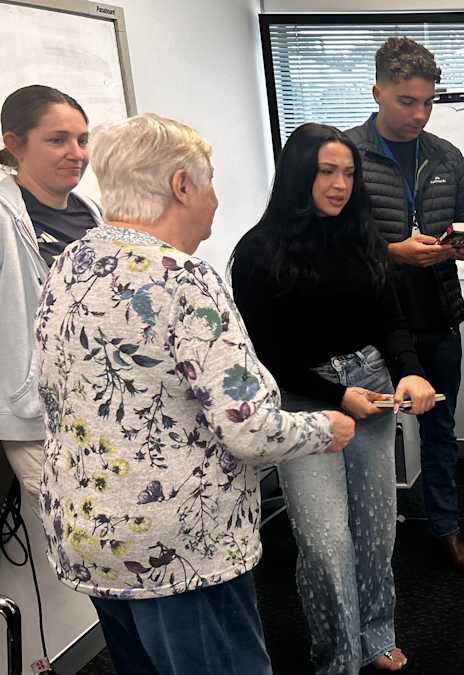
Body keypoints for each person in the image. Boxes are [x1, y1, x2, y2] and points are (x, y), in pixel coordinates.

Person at [34, 113, 355, 674]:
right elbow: (250, 429)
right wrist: (326, 427)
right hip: (179, 546)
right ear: (182, 185)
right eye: (209, 182)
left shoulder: (69, 264)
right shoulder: (181, 278)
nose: (214, 198)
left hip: (88, 532)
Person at [230, 122, 435, 674]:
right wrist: (337, 395)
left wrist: (409, 374)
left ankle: (375, 635)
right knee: (324, 544)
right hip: (302, 398)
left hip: (369, 383)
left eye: (348, 172)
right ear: (300, 173)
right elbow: (266, 354)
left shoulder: (362, 238)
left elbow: (390, 321)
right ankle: (338, 656)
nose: (340, 183)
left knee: (374, 531)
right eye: (327, 171)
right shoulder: (256, 253)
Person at [346, 37, 464, 573]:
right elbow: (330, 249)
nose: (420, 113)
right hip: (369, 327)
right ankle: (370, 543)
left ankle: (446, 531)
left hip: (438, 317)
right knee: (368, 436)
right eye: (407, 101)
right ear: (378, 91)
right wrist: (393, 254)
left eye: (428, 102)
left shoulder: (446, 156)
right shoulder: (346, 157)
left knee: (440, 429)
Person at [1, 85, 104, 497]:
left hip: (96, 405)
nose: (77, 153)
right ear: (14, 143)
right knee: (70, 544)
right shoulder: (6, 218)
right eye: (57, 140)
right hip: (37, 417)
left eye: (82, 139)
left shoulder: (90, 211)